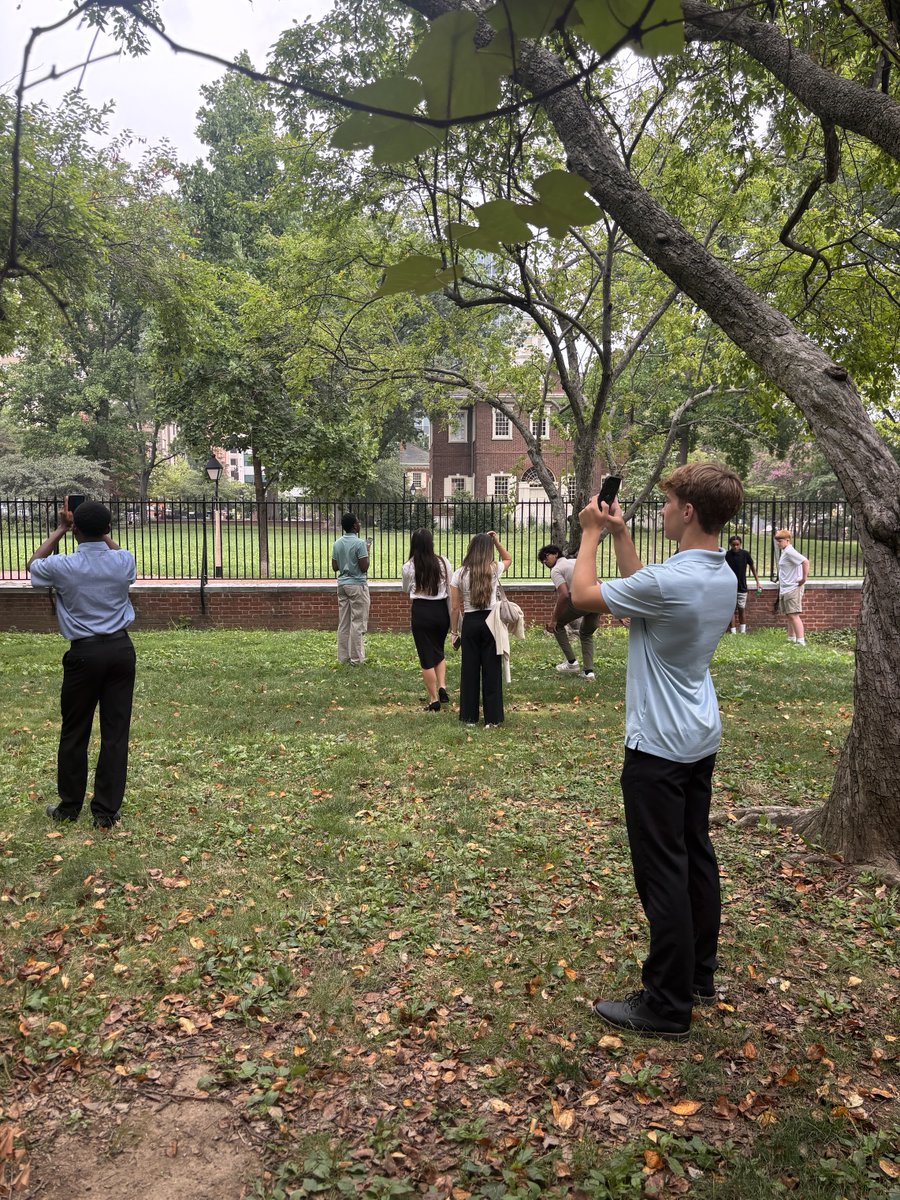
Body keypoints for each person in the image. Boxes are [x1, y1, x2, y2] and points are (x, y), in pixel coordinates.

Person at [572, 462, 743, 1039]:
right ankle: (698, 975)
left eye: (668, 503)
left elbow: (584, 595)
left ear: (688, 511)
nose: (663, 511)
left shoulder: (672, 581)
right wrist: (621, 534)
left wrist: (591, 532)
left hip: (658, 748)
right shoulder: (719, 574)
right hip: (698, 737)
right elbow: (642, 594)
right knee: (694, 853)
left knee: (662, 870)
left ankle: (666, 1005)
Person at [27, 502, 137, 830]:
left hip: (84, 654)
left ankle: (70, 806)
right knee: (115, 733)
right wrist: (101, 535)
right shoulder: (123, 560)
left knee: (75, 731)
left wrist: (61, 529)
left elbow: (33, 565)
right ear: (108, 529)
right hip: (120, 651)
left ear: (75, 530)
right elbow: (117, 552)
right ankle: (106, 812)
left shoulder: (63, 565)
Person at [449, 531, 512, 727]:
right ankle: (493, 718)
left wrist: (454, 632)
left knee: (469, 669)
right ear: (488, 550)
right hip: (491, 622)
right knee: (492, 670)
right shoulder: (494, 569)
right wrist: (497, 542)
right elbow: (508, 559)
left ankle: (469, 717)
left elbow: (454, 607)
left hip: (470, 622)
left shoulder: (459, 573)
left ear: (471, 549)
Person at [401, 529, 453, 711]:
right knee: (438, 650)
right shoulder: (443, 562)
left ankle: (433, 699)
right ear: (431, 543)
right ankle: (442, 686)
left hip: (421, 611)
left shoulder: (409, 566)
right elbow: (450, 585)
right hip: (441, 612)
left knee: (426, 657)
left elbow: (405, 588)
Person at [538, 544, 599, 679]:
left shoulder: (556, 570)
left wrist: (554, 619)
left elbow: (564, 595)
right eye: (542, 560)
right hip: (597, 600)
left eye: (546, 557)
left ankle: (571, 663)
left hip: (582, 600)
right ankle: (588, 672)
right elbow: (597, 581)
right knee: (586, 634)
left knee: (557, 626)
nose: (544, 561)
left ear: (555, 554)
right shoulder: (576, 561)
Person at [331, 513, 370, 665]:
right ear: (354, 526)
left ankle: (343, 657)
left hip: (342, 585)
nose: (360, 524)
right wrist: (367, 551)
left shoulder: (337, 543)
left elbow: (335, 567)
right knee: (357, 622)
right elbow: (364, 567)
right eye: (358, 522)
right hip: (357, 585)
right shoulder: (360, 544)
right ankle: (356, 659)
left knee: (344, 622)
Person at [774, 529, 809, 646]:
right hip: (786, 588)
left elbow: (805, 562)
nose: (778, 543)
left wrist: (803, 579)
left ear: (787, 540)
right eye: (777, 541)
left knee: (794, 615)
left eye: (780, 541)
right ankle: (791, 638)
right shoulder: (785, 552)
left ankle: (800, 641)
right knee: (789, 614)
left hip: (793, 588)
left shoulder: (789, 551)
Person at [724, 535, 761, 633]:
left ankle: (743, 631)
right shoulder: (726, 555)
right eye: (733, 545)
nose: (735, 547)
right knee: (731, 610)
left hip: (742, 586)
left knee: (741, 609)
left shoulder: (745, 554)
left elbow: (752, 567)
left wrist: (758, 582)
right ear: (730, 545)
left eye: (737, 545)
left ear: (740, 544)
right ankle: (733, 631)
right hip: (729, 587)